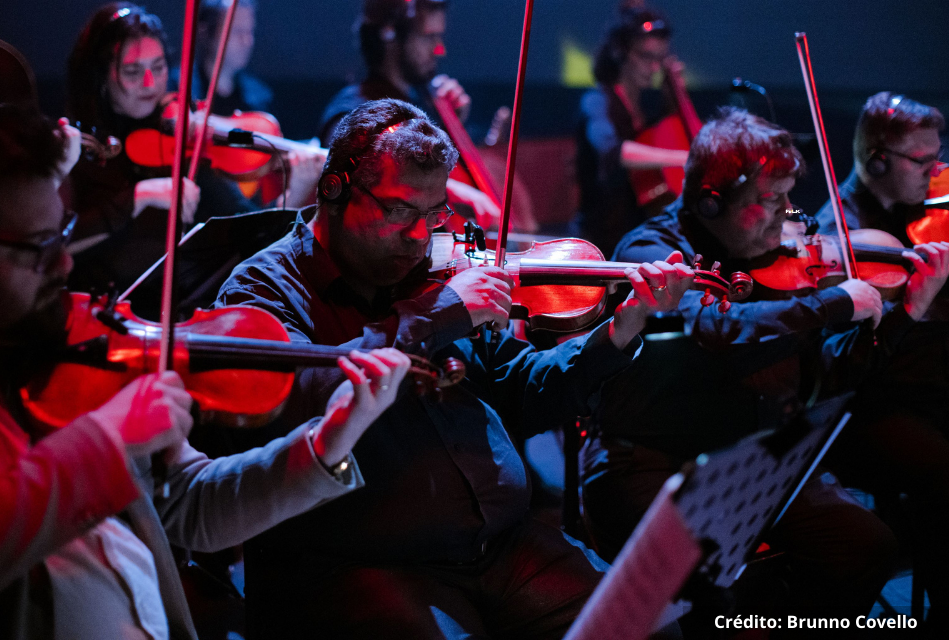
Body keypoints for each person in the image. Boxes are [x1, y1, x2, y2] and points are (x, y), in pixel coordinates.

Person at [0, 103, 415, 638]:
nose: (66, 263)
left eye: (64, 232)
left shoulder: (66, 336)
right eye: (37, 248)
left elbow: (190, 505)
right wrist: (108, 438)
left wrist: (324, 445)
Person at [215, 98, 697, 639]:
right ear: (334, 190)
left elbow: (526, 389)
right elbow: (303, 399)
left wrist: (619, 330)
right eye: (399, 211)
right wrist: (432, 317)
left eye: (434, 213)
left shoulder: (437, 274)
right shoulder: (265, 287)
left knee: (649, 626)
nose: (421, 237)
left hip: (502, 549)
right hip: (365, 561)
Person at [581, 108, 949, 629]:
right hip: (653, 460)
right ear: (711, 200)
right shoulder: (652, 251)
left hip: (752, 455)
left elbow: (834, 372)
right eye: (768, 201)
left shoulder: (782, 261)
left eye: (787, 198)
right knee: (708, 592)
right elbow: (713, 330)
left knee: (868, 546)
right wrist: (832, 305)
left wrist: (907, 311)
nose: (785, 219)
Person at [63, 2, 322, 299]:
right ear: (100, 78)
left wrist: (295, 193)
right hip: (97, 314)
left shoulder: (181, 145)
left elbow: (252, 236)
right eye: (132, 71)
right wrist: (139, 197)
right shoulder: (77, 149)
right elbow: (55, 243)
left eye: (158, 68)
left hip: (176, 317)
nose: (150, 84)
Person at [815, 92, 949, 634]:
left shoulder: (925, 214)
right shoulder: (839, 236)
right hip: (862, 410)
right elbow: (843, 367)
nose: (936, 173)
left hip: (923, 390)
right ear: (877, 161)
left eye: (938, 158)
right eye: (923, 162)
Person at [319, 0, 498, 228]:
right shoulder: (352, 109)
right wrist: (453, 189)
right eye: (427, 37)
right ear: (390, 35)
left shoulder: (420, 107)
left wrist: (449, 130)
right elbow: (361, 178)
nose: (440, 49)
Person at [574, 0, 691, 256]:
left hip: (639, 238)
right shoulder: (597, 101)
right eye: (645, 57)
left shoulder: (648, 111)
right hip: (602, 243)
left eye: (660, 59)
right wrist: (686, 157)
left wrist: (675, 101)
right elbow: (612, 151)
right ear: (621, 53)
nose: (654, 67)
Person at [193, 0, 272, 116]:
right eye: (236, 31)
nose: (247, 41)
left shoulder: (260, 98)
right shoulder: (179, 91)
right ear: (205, 32)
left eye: (250, 31)